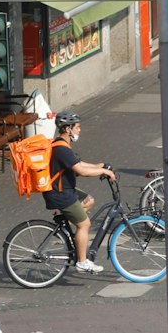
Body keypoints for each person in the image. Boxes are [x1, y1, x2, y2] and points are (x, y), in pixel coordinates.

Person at [46, 111, 116, 273]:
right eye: (77, 127)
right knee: (85, 224)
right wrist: (104, 172)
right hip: (61, 194)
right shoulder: (62, 149)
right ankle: (82, 262)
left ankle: (66, 225)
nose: (79, 130)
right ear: (68, 129)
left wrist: (99, 166)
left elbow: (78, 163)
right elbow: (81, 171)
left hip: (64, 189)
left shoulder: (62, 146)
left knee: (88, 200)